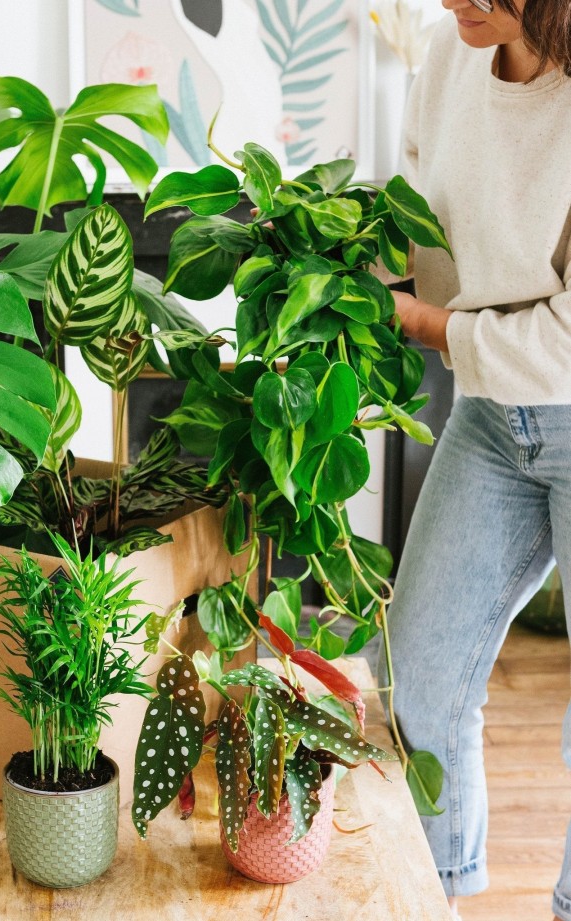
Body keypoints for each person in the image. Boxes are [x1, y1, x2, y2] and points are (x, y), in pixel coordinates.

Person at [377, 1, 571, 919]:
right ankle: (433, 896)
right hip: (492, 417)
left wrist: (432, 328)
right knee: (416, 678)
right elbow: (418, 211)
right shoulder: (449, 55)